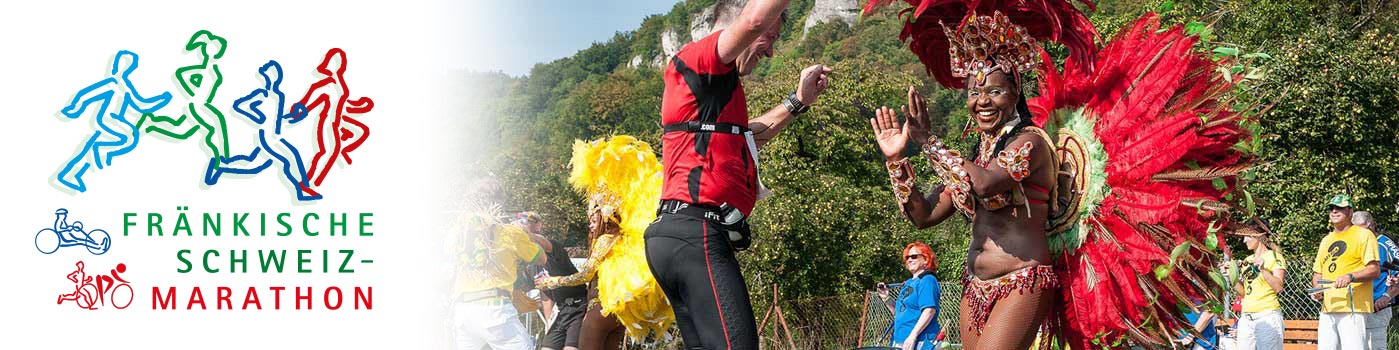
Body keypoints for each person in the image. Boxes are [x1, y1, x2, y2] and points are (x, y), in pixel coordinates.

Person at [863, 1, 1258, 348]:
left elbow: (984, 184)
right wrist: (897, 160)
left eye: (995, 92)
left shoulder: (1031, 144)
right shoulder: (976, 153)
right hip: (974, 287)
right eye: (974, 92)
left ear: (1016, 92)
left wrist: (929, 142)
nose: (982, 101)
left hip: (1023, 280)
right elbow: (924, 216)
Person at [643, 0, 831, 348]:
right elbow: (755, 18)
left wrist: (798, 101)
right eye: (769, 38)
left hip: (679, 236)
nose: (771, 51)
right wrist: (758, 23)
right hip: (696, 234)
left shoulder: (713, 94)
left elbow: (752, 133)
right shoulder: (701, 59)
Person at [539, 136, 674, 349]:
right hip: (616, 314)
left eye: (593, 220)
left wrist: (554, 281)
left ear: (604, 218)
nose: (590, 225)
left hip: (598, 312)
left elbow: (585, 275)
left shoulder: (604, 240)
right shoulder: (621, 240)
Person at [452, 208, 547, 350]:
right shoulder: (509, 232)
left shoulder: (459, 233)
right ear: (497, 208)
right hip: (494, 311)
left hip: (462, 311)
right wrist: (526, 235)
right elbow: (541, 259)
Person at [1311, 194, 1381, 350]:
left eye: (1340, 208)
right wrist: (1317, 290)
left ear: (1350, 211)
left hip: (1353, 308)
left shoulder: (1364, 235)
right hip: (1328, 308)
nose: (1334, 211)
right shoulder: (1326, 239)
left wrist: (1351, 276)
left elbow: (1375, 269)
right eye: (1331, 208)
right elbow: (1317, 273)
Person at [520, 211, 588, 350]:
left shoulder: (553, 249)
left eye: (528, 224)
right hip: (560, 311)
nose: (524, 227)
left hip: (578, 307)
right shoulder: (531, 265)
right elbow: (545, 296)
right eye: (522, 224)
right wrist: (548, 321)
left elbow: (545, 243)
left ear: (538, 226)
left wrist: (529, 236)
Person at [876, 242, 942, 350]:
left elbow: (929, 310)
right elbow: (899, 312)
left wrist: (913, 336)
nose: (909, 260)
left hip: (919, 341)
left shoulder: (927, 280)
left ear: (926, 259)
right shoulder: (909, 283)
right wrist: (886, 298)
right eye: (907, 258)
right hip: (901, 340)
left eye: (914, 256)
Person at [1232, 220, 1285, 350]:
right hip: (1246, 317)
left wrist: (1263, 269)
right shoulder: (1247, 260)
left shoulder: (1275, 257)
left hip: (1267, 315)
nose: (1244, 241)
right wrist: (1231, 276)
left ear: (1259, 235)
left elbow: (1278, 287)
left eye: (1247, 236)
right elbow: (1243, 292)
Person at [1351, 210, 1397, 350]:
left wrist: (1387, 296)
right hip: (1356, 307)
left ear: (1370, 226)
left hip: (1377, 307)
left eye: (1361, 230)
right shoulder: (1356, 243)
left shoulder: (1384, 243)